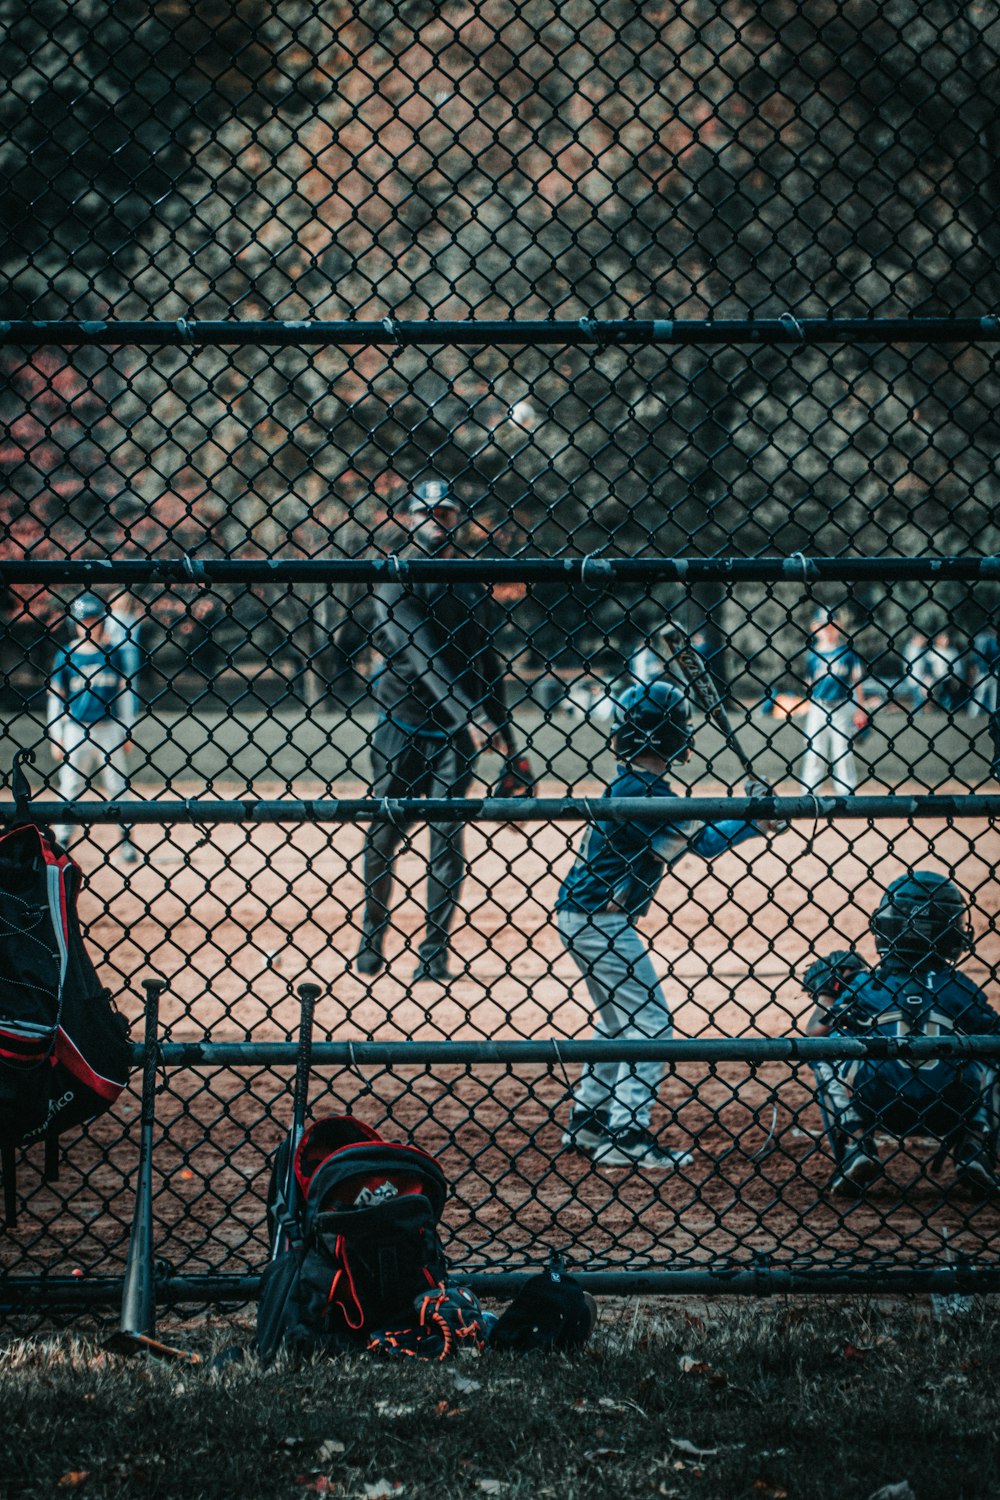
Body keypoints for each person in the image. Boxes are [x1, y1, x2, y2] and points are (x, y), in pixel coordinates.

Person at [556, 680, 784, 1170]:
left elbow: (691, 832)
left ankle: (589, 1121)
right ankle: (627, 1134)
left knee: (619, 1022)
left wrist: (751, 816)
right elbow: (702, 842)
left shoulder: (633, 786)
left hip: (581, 916)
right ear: (676, 739)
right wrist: (755, 816)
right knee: (652, 1023)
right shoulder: (645, 793)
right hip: (601, 920)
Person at [354, 477, 521, 984]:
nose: (437, 522)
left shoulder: (468, 578)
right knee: (385, 832)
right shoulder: (394, 574)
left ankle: (433, 951)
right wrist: (472, 717)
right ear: (410, 517)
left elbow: (485, 661)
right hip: (402, 725)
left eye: (446, 514)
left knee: (447, 837)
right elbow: (424, 654)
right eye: (429, 513)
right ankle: (371, 935)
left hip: (454, 735)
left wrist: (511, 748)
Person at [803, 872, 999, 1196]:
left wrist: (829, 992)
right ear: (951, 930)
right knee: (991, 1050)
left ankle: (857, 1143)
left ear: (886, 925)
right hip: (952, 1104)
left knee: (826, 1050)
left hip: (878, 1100)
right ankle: (975, 1144)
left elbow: (815, 1032)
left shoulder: (867, 984)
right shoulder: (959, 986)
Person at [47, 591, 142, 863]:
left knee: (117, 784)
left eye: (94, 620)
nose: (89, 625)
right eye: (83, 620)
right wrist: (56, 736)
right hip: (76, 728)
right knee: (70, 784)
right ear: (75, 623)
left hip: (109, 727)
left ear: (102, 621)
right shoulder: (66, 655)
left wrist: (127, 730)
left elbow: (124, 696)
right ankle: (62, 839)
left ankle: (126, 840)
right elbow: (56, 699)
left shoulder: (113, 654)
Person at [799, 611, 864, 793]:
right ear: (814, 629)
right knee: (814, 750)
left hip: (842, 705)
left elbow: (857, 681)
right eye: (822, 626)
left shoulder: (847, 652)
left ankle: (846, 791)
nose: (827, 630)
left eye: (831, 626)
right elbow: (809, 682)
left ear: (839, 628)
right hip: (818, 705)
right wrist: (807, 703)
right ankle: (809, 791)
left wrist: (861, 708)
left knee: (842, 751)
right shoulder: (812, 654)